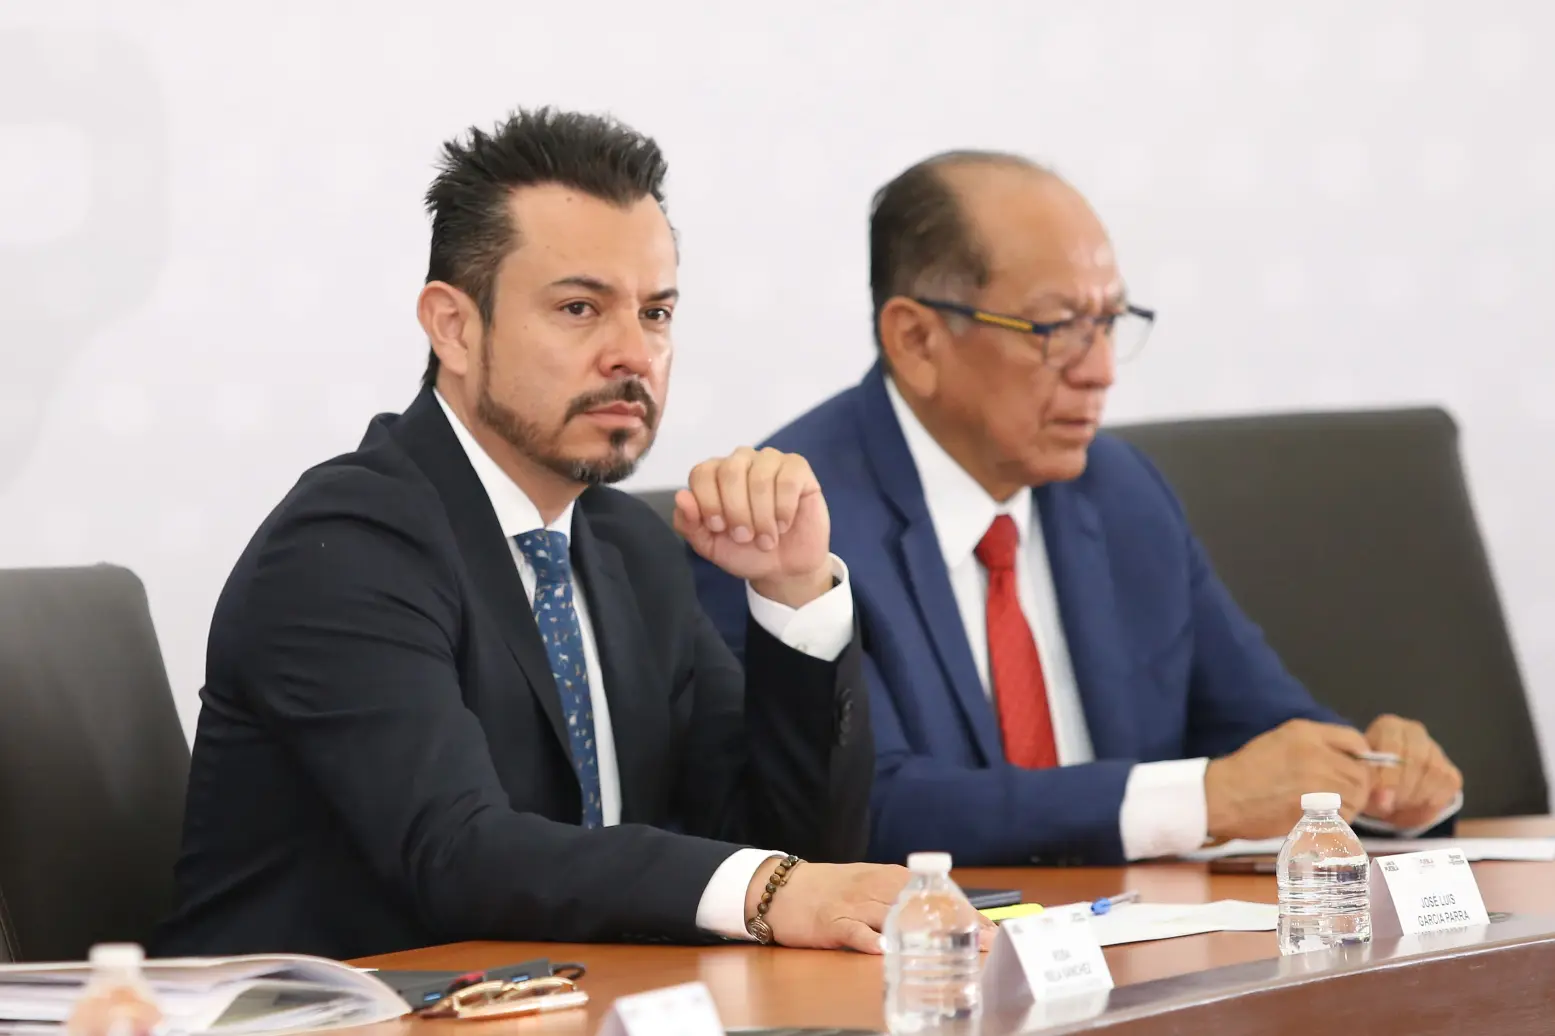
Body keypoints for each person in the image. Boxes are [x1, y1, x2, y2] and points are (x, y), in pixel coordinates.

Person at [156, 108, 914, 960]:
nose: (633, 353)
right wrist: (767, 887)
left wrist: (792, 592)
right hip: (334, 1008)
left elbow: (800, 856)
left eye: (656, 313)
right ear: (453, 327)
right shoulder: (345, 546)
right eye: (580, 308)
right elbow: (457, 854)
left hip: (572, 1001)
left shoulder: (629, 548)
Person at [692, 151, 1464, 867]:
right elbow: (862, 811)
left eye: (1109, 323)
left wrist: (1381, 782)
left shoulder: (1120, 492)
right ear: (917, 340)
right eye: (1057, 328)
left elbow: (1264, 735)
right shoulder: (786, 531)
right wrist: (1201, 801)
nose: (1099, 372)